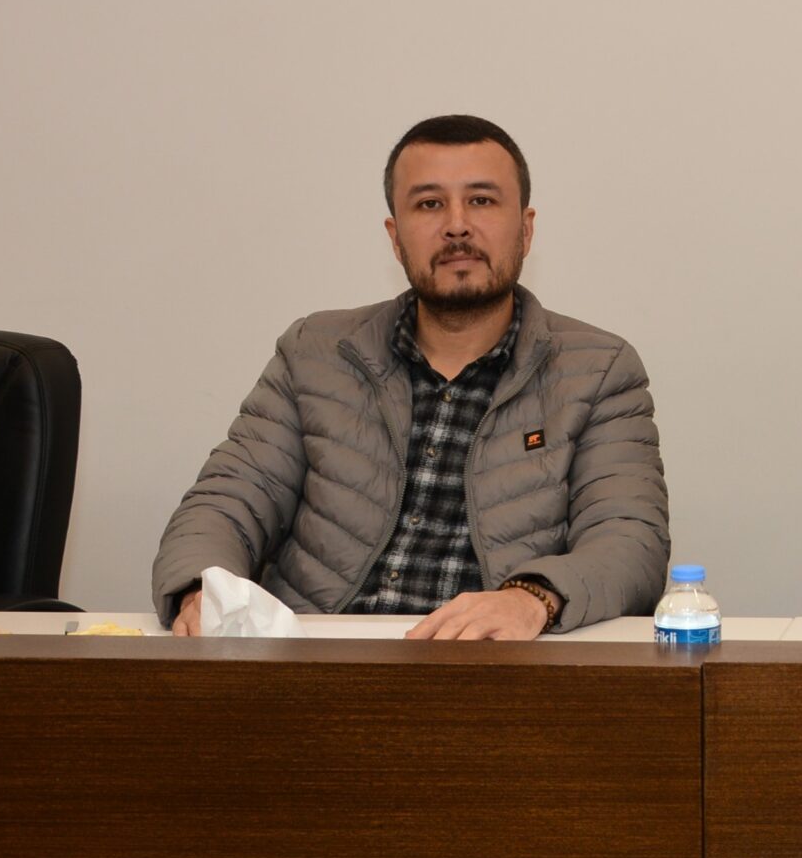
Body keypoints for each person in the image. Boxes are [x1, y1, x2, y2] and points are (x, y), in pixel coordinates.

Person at [152, 115, 667, 639]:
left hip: (493, 666)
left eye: (482, 200)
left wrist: (531, 599)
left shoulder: (597, 371)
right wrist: (202, 591)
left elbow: (631, 541)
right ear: (395, 238)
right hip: (318, 661)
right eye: (429, 204)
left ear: (526, 229)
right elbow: (224, 504)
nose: (457, 226)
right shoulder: (314, 354)